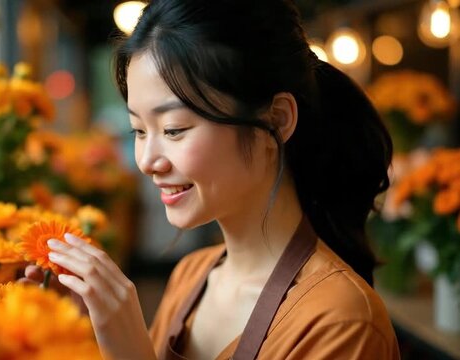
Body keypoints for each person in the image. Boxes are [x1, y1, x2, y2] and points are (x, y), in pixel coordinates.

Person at [23, 0, 400, 358]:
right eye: (139, 130)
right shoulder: (192, 274)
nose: (147, 161)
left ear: (277, 119)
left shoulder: (342, 321)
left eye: (173, 129)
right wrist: (90, 334)